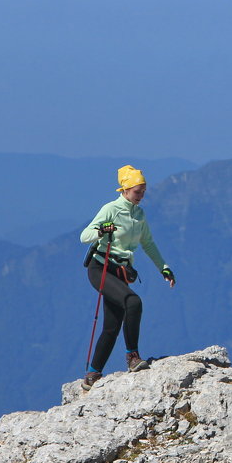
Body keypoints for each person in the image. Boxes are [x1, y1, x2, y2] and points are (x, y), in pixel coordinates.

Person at [80, 165, 176, 388]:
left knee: (111, 326)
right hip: (100, 268)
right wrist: (101, 230)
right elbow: (84, 236)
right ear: (125, 189)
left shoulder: (139, 215)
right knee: (133, 302)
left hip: (120, 272)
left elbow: (148, 243)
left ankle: (92, 375)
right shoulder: (111, 209)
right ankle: (133, 357)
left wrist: (164, 268)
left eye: (143, 191)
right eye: (137, 191)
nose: (141, 195)